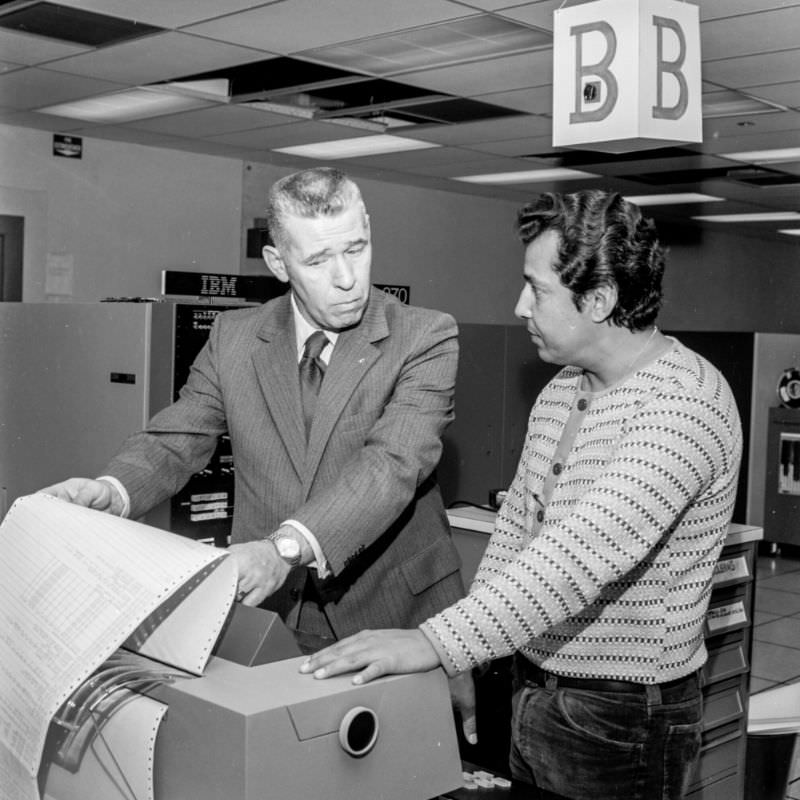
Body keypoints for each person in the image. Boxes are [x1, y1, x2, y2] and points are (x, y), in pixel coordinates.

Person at [300, 189, 743, 800]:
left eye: (537, 289)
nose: (518, 305)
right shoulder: (564, 388)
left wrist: (433, 643)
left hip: (622, 717)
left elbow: (578, 556)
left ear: (600, 299)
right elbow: (517, 534)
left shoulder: (685, 404)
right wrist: (470, 660)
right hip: (534, 685)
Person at [40, 166, 467, 654]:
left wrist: (282, 549)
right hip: (273, 613)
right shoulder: (234, 338)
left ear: (367, 228)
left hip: (394, 614)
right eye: (318, 260)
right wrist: (112, 491)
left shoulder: (425, 336)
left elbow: (391, 467)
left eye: (355, 249)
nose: (347, 278)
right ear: (278, 262)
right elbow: (178, 438)